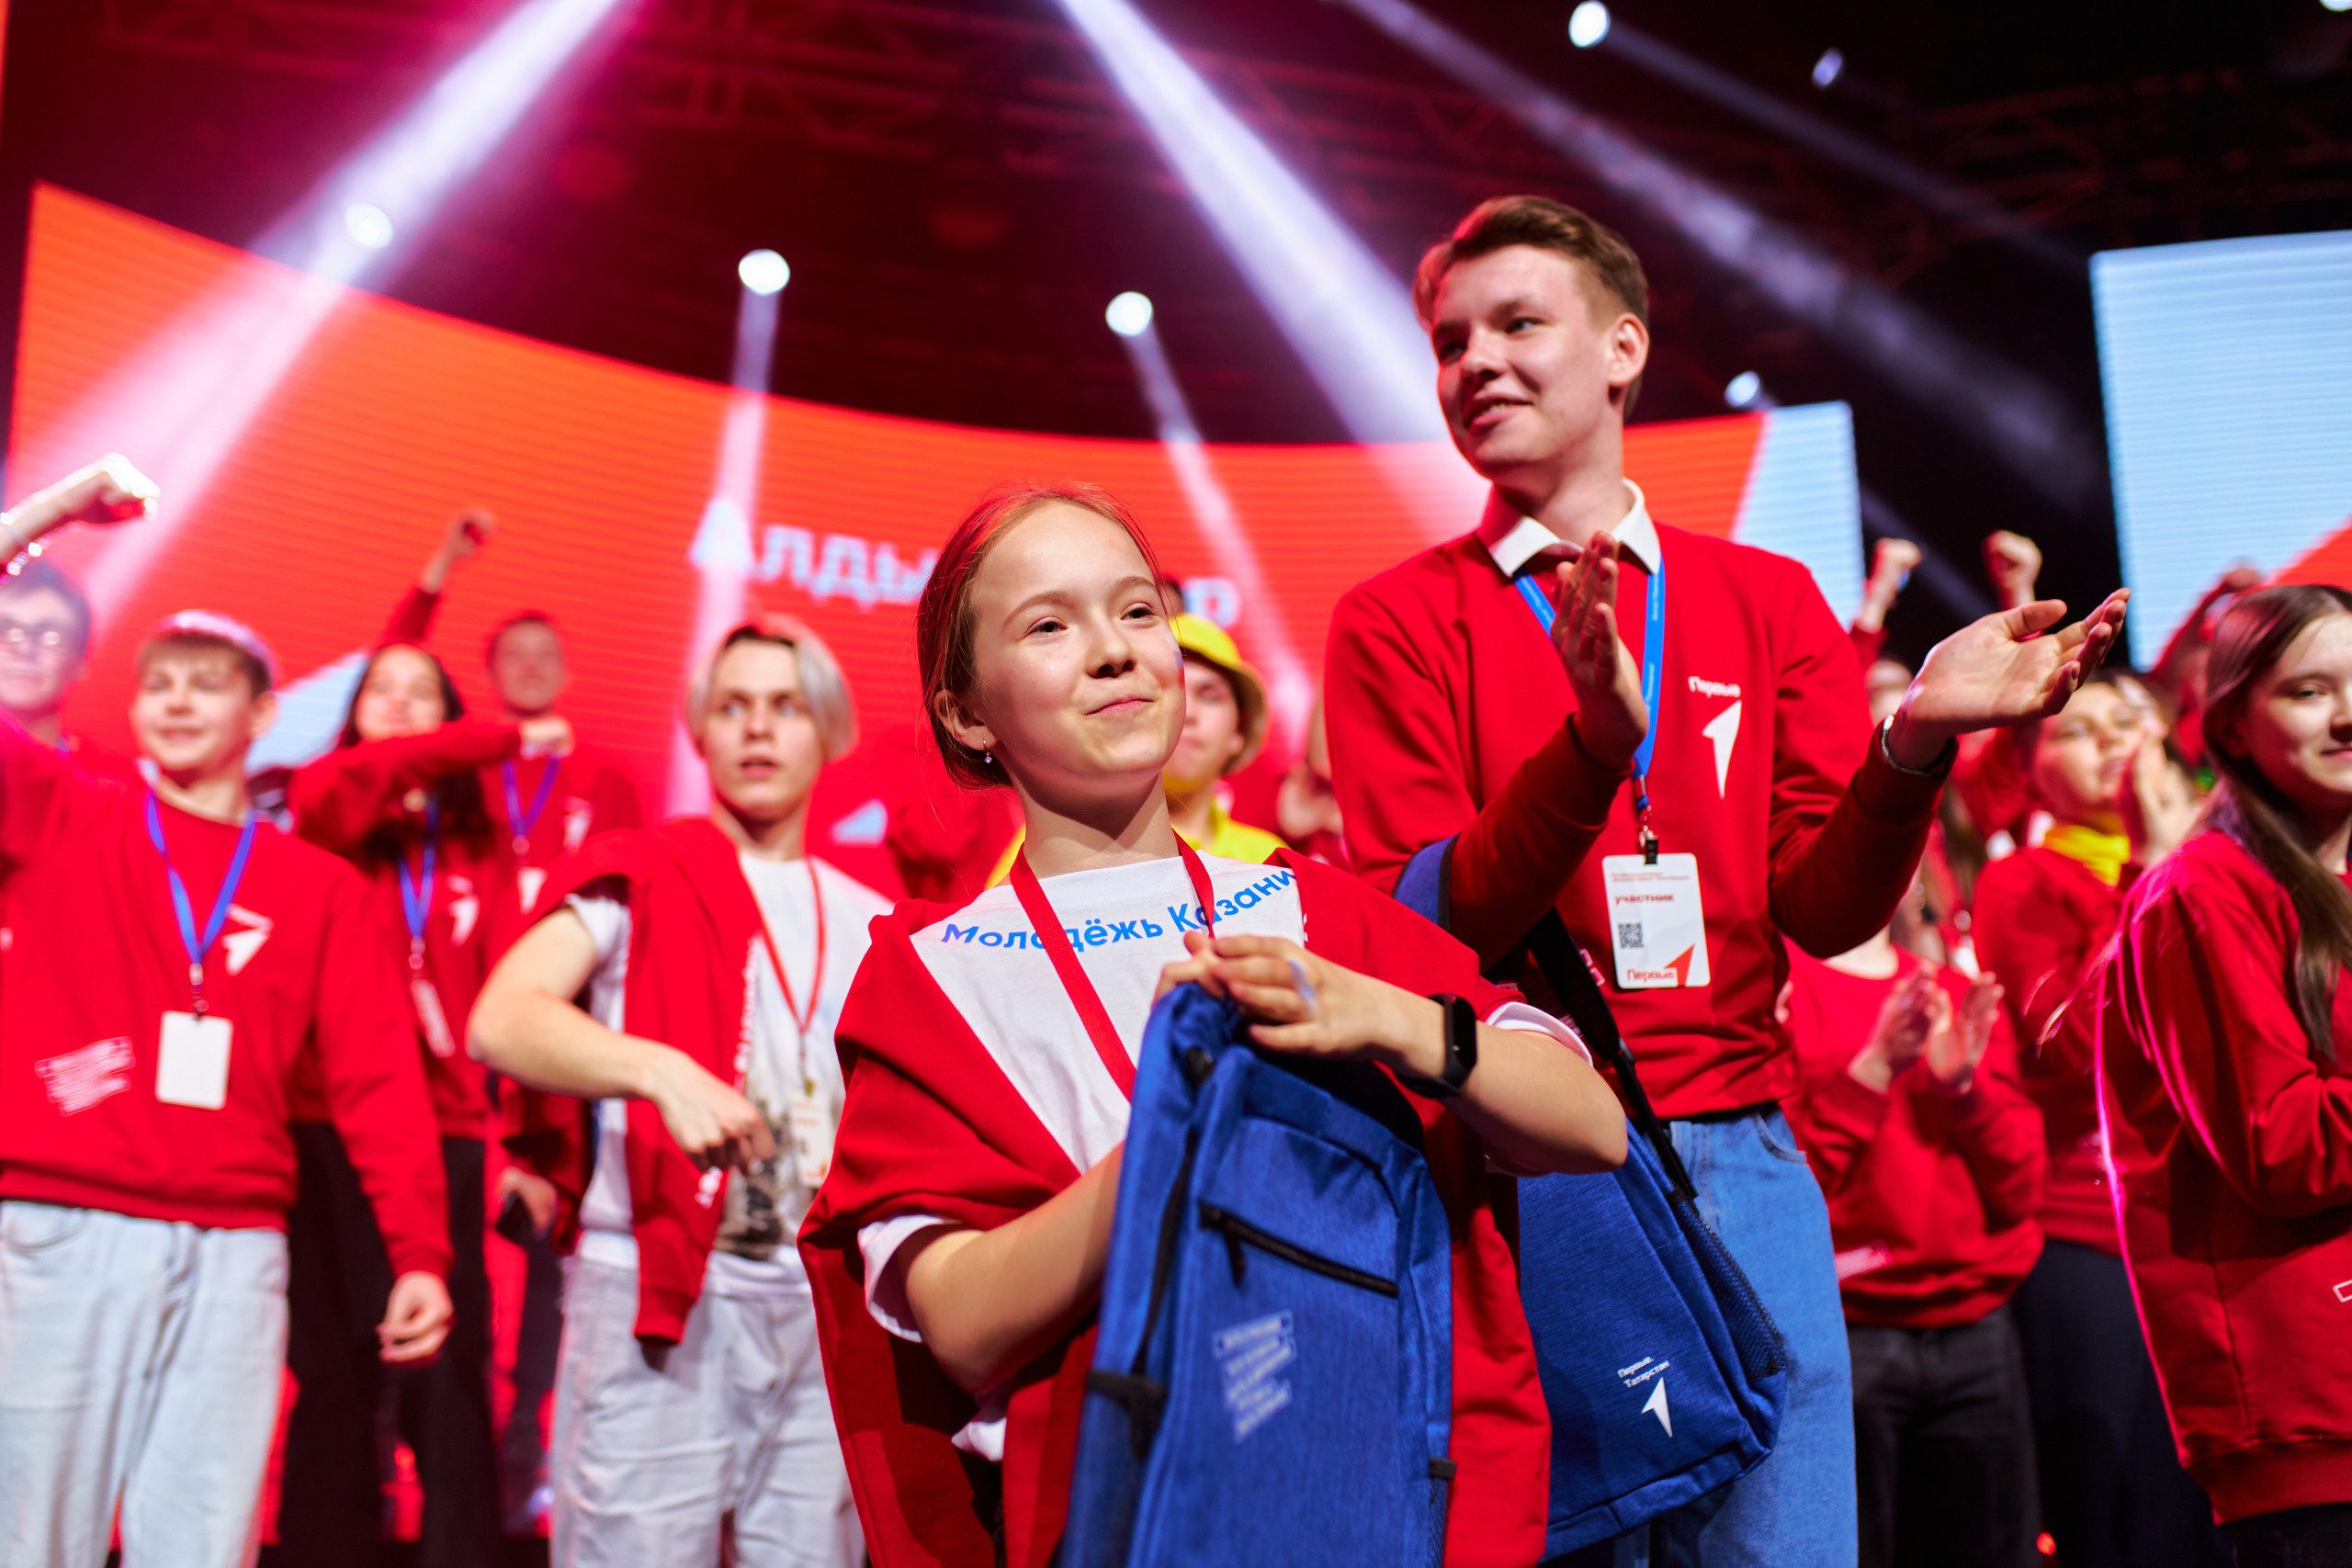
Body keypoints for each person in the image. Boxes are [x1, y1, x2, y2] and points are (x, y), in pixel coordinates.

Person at [1324, 194, 2126, 1564]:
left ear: (1623, 348)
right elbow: (1436, 920)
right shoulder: (1397, 619)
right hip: (1528, 1173)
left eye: (1520, 324)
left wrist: (1911, 741)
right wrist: (1591, 752)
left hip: (1750, 1156)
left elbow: (1823, 908)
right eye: (1452, 340)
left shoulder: (1763, 599)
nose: (1477, 363)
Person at [798, 483, 1627, 1568]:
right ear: (964, 712)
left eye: (1136, 611)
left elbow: (1590, 1128)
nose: (1113, 652)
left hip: (1375, 1496)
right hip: (1113, 1520)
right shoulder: (930, 977)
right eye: (1049, 625)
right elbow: (956, 1322)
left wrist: (1386, 1016)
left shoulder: (1313, 911)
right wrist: (1176, 1132)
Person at [0, 457, 454, 1568]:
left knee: (202, 1545)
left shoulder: (319, 887)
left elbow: (378, 1086)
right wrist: (52, 514)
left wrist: (422, 1253)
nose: (179, 702)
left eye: (207, 684)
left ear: (262, 715)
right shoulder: (65, 811)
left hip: (238, 1246)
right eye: (160, 682)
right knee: (28, 1539)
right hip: (62, 1225)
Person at [469, 614, 884, 1567]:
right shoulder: (642, 871)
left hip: (822, 1307)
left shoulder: (872, 920)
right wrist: (657, 1068)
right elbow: (504, 1015)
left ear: (826, 729)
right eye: (731, 707)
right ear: (699, 734)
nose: (755, 729)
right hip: (660, 1290)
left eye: (783, 707)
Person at [276, 640, 565, 1567]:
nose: (398, 709)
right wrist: (503, 735)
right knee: (332, 1372)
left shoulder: (473, 842)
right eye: (380, 692)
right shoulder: (323, 809)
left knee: (449, 1375)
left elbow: (511, 998)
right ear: (353, 715)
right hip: (322, 1124)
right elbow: (364, 773)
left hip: (446, 1134)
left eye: (420, 695)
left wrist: (527, 1147)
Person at [2098, 583, 2352, 1567]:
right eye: (2309, 691)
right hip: (2311, 1420)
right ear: (2233, 728)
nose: (2346, 714)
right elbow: (2280, 1147)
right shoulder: (2202, 893)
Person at [1970, 669, 2226, 1568]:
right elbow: (2064, 1047)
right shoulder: (2023, 882)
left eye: (2129, 718)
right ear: (2031, 768)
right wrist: (2153, 876)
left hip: (2233, 1225)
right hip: (2092, 1233)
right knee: (2126, 1519)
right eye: (2077, 729)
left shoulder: (2235, 861)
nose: (2113, 736)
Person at [1778, 930, 2043, 1568]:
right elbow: (1781, 1193)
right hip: (1847, 1331)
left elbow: (2022, 1186)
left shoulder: (1953, 992)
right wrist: (1872, 1070)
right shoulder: (1782, 989)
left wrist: (1963, 1090)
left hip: (1975, 1328)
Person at [388, 508, 645, 908]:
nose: (531, 667)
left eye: (546, 656)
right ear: (487, 674)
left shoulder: (610, 781)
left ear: (568, 674)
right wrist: (444, 562)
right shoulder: (460, 767)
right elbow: (394, 663)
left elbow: (632, 894)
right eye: (514, 655)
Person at [0, 538, 142, 784]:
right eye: (4, 630)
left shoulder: (118, 785)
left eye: (50, 637)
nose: (24, 648)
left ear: (81, 660)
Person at [1163, 613, 1284, 863]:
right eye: (1169, 689)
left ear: (1237, 732)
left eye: (1209, 696)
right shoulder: (1082, 856)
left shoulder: (1269, 860)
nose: (1187, 713)